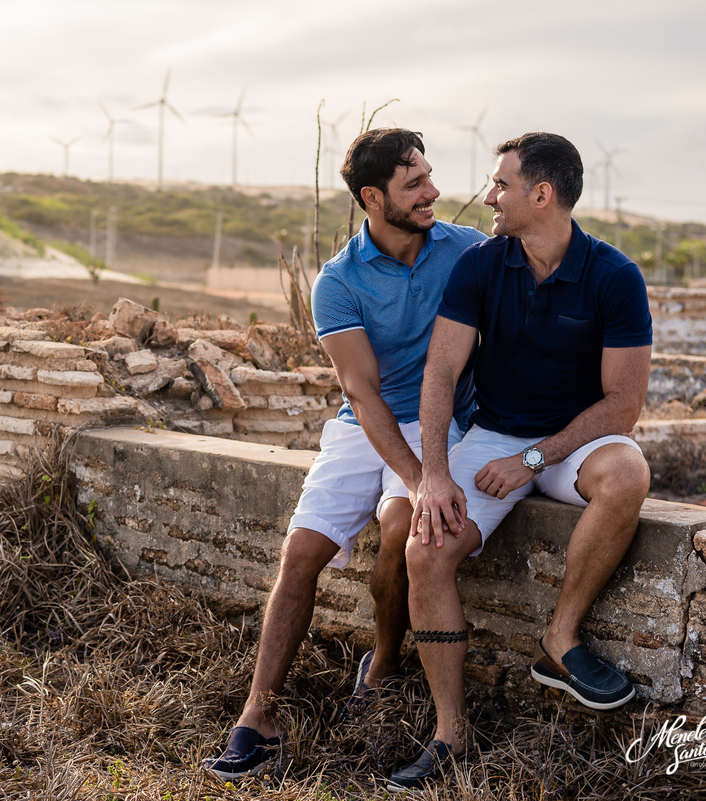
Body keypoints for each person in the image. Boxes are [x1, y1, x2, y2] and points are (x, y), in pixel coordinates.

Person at [201, 128, 486, 781]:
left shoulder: (467, 250)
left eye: (429, 176)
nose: (433, 191)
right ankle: (257, 716)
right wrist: (419, 479)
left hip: (445, 418)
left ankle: (383, 660)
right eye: (414, 182)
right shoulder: (338, 281)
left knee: (398, 527)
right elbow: (361, 391)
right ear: (371, 195)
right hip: (367, 421)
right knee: (301, 551)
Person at [390, 132, 652, 793]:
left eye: (501, 185)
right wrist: (434, 473)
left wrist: (532, 458)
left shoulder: (614, 276)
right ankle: (450, 732)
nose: (488, 197)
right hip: (491, 433)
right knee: (424, 550)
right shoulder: (482, 264)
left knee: (629, 473)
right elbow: (441, 370)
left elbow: (622, 405)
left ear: (542, 194)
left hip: (570, 440)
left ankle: (559, 640)